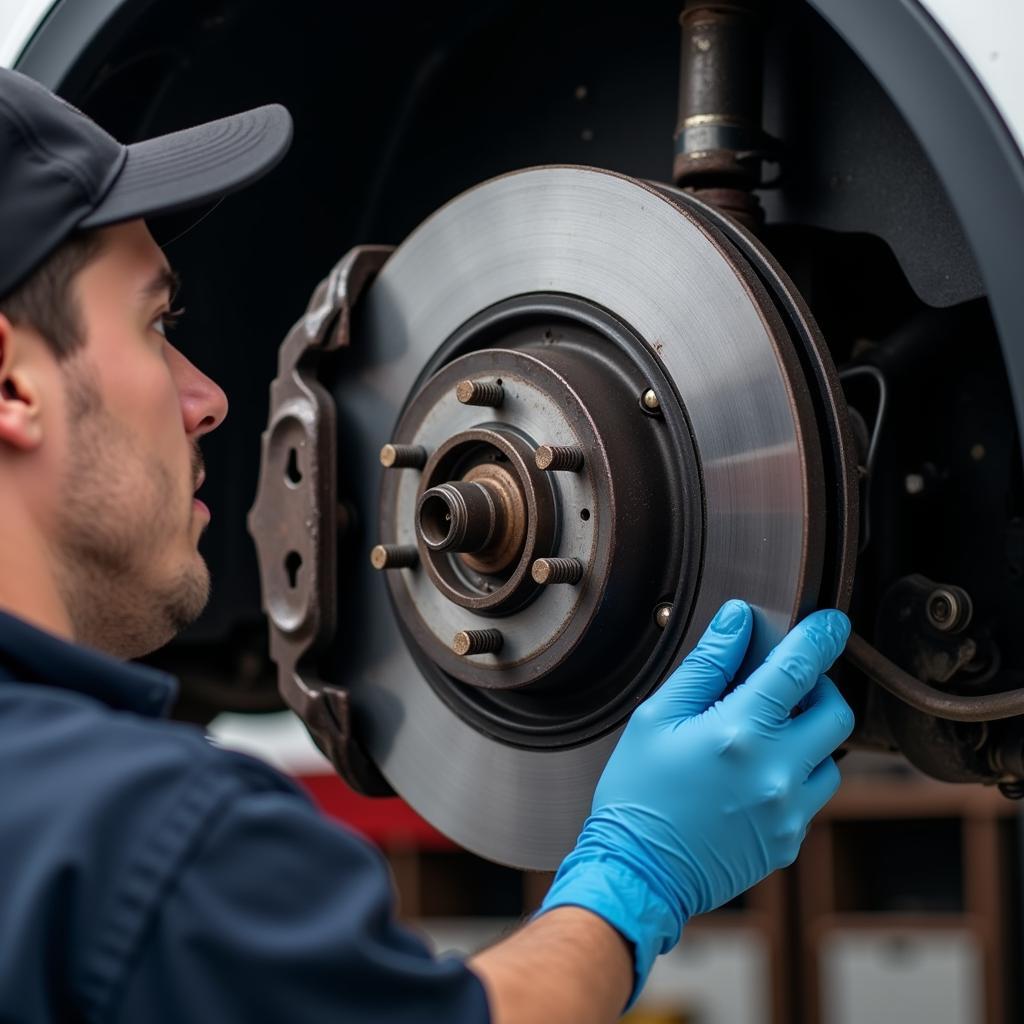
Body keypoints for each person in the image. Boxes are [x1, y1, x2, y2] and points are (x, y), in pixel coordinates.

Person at [0, 67, 855, 1023]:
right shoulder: (146, 849)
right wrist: (635, 876)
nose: (208, 397)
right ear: (13, 388)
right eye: (157, 325)